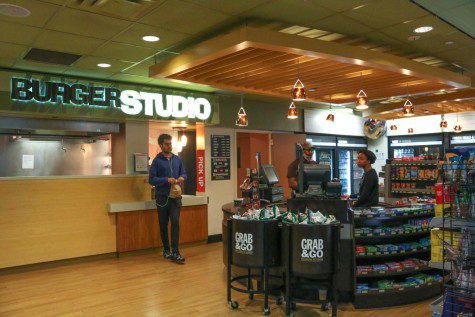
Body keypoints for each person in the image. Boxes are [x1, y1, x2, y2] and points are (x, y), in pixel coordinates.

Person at [149, 134, 187, 264]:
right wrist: (165, 179)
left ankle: (176, 252)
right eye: (166, 144)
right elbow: (151, 179)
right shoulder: (157, 161)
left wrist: (182, 177)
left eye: (170, 143)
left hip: (175, 197)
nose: (169, 146)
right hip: (162, 198)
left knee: (175, 222)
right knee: (163, 224)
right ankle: (166, 250)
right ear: (161, 145)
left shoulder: (177, 159)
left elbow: (184, 173)